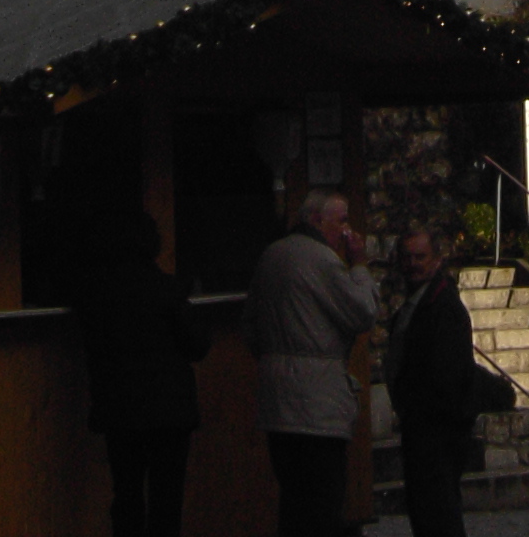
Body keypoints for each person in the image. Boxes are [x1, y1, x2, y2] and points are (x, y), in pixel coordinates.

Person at [244, 189, 380, 537]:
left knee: (293, 501)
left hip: (277, 402)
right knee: (323, 502)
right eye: (342, 221)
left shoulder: (270, 256)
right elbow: (362, 312)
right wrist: (360, 266)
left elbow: (252, 331)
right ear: (317, 221)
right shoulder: (321, 260)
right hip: (316, 405)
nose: (347, 230)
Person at [71, 205, 211, 537]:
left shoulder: (93, 293)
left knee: (127, 493)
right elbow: (197, 345)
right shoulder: (165, 288)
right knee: (166, 498)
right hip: (168, 408)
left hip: (118, 405)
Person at [385, 224, 479, 537]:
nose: (412, 263)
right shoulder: (419, 306)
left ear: (437, 260)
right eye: (407, 257)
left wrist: (423, 414)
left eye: (420, 257)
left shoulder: (442, 308)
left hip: (436, 432)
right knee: (429, 515)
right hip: (425, 429)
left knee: (438, 516)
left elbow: (446, 377)